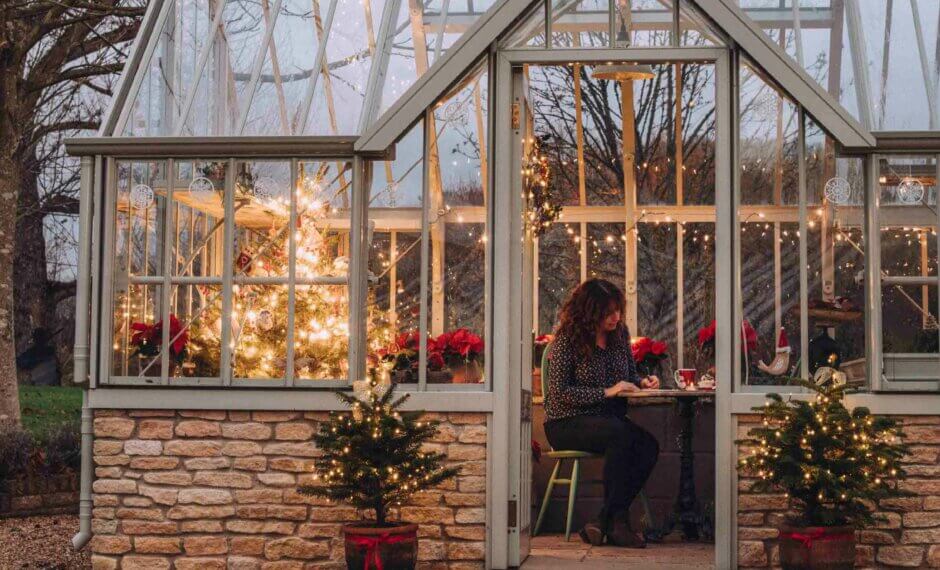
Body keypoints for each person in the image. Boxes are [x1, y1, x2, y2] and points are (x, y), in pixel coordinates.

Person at [543, 279, 660, 548]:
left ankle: (603, 520)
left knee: (649, 446)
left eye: (618, 310)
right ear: (589, 312)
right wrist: (606, 392)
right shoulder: (567, 342)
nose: (615, 317)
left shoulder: (620, 336)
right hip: (566, 423)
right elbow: (559, 394)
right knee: (619, 435)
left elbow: (629, 376)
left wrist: (642, 382)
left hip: (607, 422)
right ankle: (617, 523)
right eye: (608, 313)